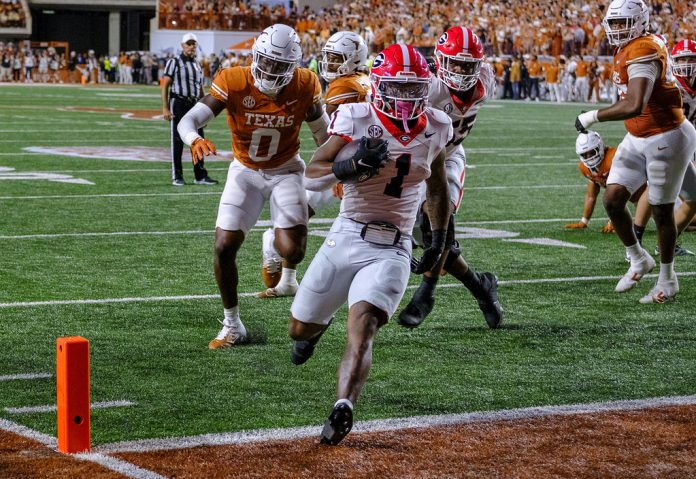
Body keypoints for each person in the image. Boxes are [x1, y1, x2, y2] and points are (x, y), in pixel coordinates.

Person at [288, 44, 453, 445]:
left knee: (363, 328)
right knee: (298, 329)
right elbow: (312, 174)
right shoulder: (355, 116)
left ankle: (343, 406)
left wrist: (438, 238)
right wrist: (349, 166)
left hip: (393, 245)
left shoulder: (437, 126)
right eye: (398, 87)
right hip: (347, 233)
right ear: (378, 85)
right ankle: (316, 328)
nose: (406, 97)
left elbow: (437, 187)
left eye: (414, 89)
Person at [176, 24, 330, 348]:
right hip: (245, 170)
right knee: (223, 246)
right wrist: (194, 139)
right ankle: (232, 325)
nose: (271, 69)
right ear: (255, 56)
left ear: (293, 66)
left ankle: (271, 242)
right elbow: (188, 120)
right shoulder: (234, 80)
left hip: (286, 170)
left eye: (280, 64)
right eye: (267, 60)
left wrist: (336, 171)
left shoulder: (305, 83)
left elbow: (324, 136)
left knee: (293, 251)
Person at [575, 0, 696, 303]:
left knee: (662, 210)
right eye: (614, 23)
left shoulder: (643, 48)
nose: (617, 29)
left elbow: (635, 104)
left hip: (666, 136)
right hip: (638, 135)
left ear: (640, 21)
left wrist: (591, 116)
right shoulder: (628, 48)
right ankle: (638, 258)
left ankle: (668, 279)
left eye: (623, 23)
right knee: (613, 199)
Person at [397, 26, 503, 330]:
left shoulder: (485, 78)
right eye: (455, 64)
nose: (461, 71)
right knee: (431, 239)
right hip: (420, 157)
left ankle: (425, 294)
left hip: (451, 155)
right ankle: (481, 287)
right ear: (441, 60)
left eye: (468, 66)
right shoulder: (428, 86)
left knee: (438, 223)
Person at [258, 30, 370, 292]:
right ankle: (288, 280)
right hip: (363, 164)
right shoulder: (365, 80)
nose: (329, 63)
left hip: (343, 166)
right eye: (328, 57)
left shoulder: (343, 86)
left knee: (299, 215)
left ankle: (271, 242)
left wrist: (335, 171)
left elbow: (328, 132)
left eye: (336, 58)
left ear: (353, 58)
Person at [565, 130, 650, 238]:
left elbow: (618, 195)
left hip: (648, 193)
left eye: (592, 152)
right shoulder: (584, 168)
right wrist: (584, 221)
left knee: (663, 217)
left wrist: (613, 221)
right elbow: (591, 196)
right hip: (636, 198)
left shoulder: (614, 158)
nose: (589, 157)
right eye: (584, 154)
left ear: (600, 147)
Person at [161, 33, 217, 186]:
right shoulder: (174, 62)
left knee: (198, 139)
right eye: (188, 44)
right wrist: (165, 107)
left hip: (194, 104)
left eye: (193, 44)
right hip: (178, 102)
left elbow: (200, 88)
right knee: (178, 139)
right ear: (182, 45)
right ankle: (177, 176)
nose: (191, 47)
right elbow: (165, 85)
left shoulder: (197, 64)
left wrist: (205, 110)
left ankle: (200, 175)